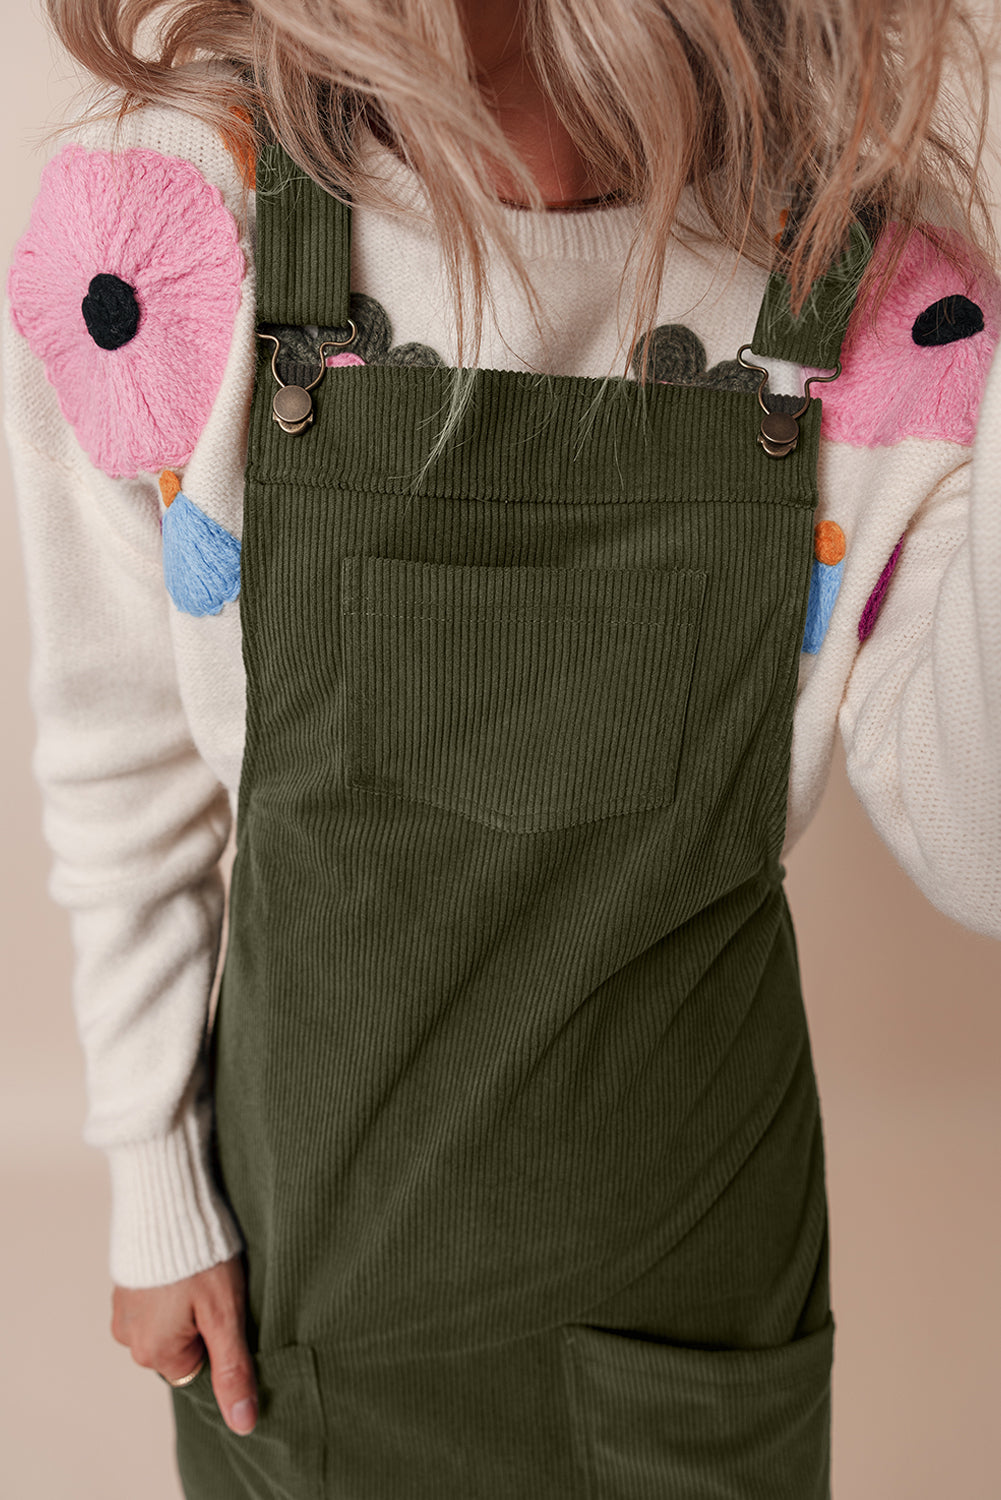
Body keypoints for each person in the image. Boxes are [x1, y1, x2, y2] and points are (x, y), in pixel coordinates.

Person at [4, 0, 1000, 1494]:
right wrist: (150, 1178)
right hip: (309, 1308)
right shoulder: (163, 230)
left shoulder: (877, 293)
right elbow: (119, 743)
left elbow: (980, 854)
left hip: (694, 1312)